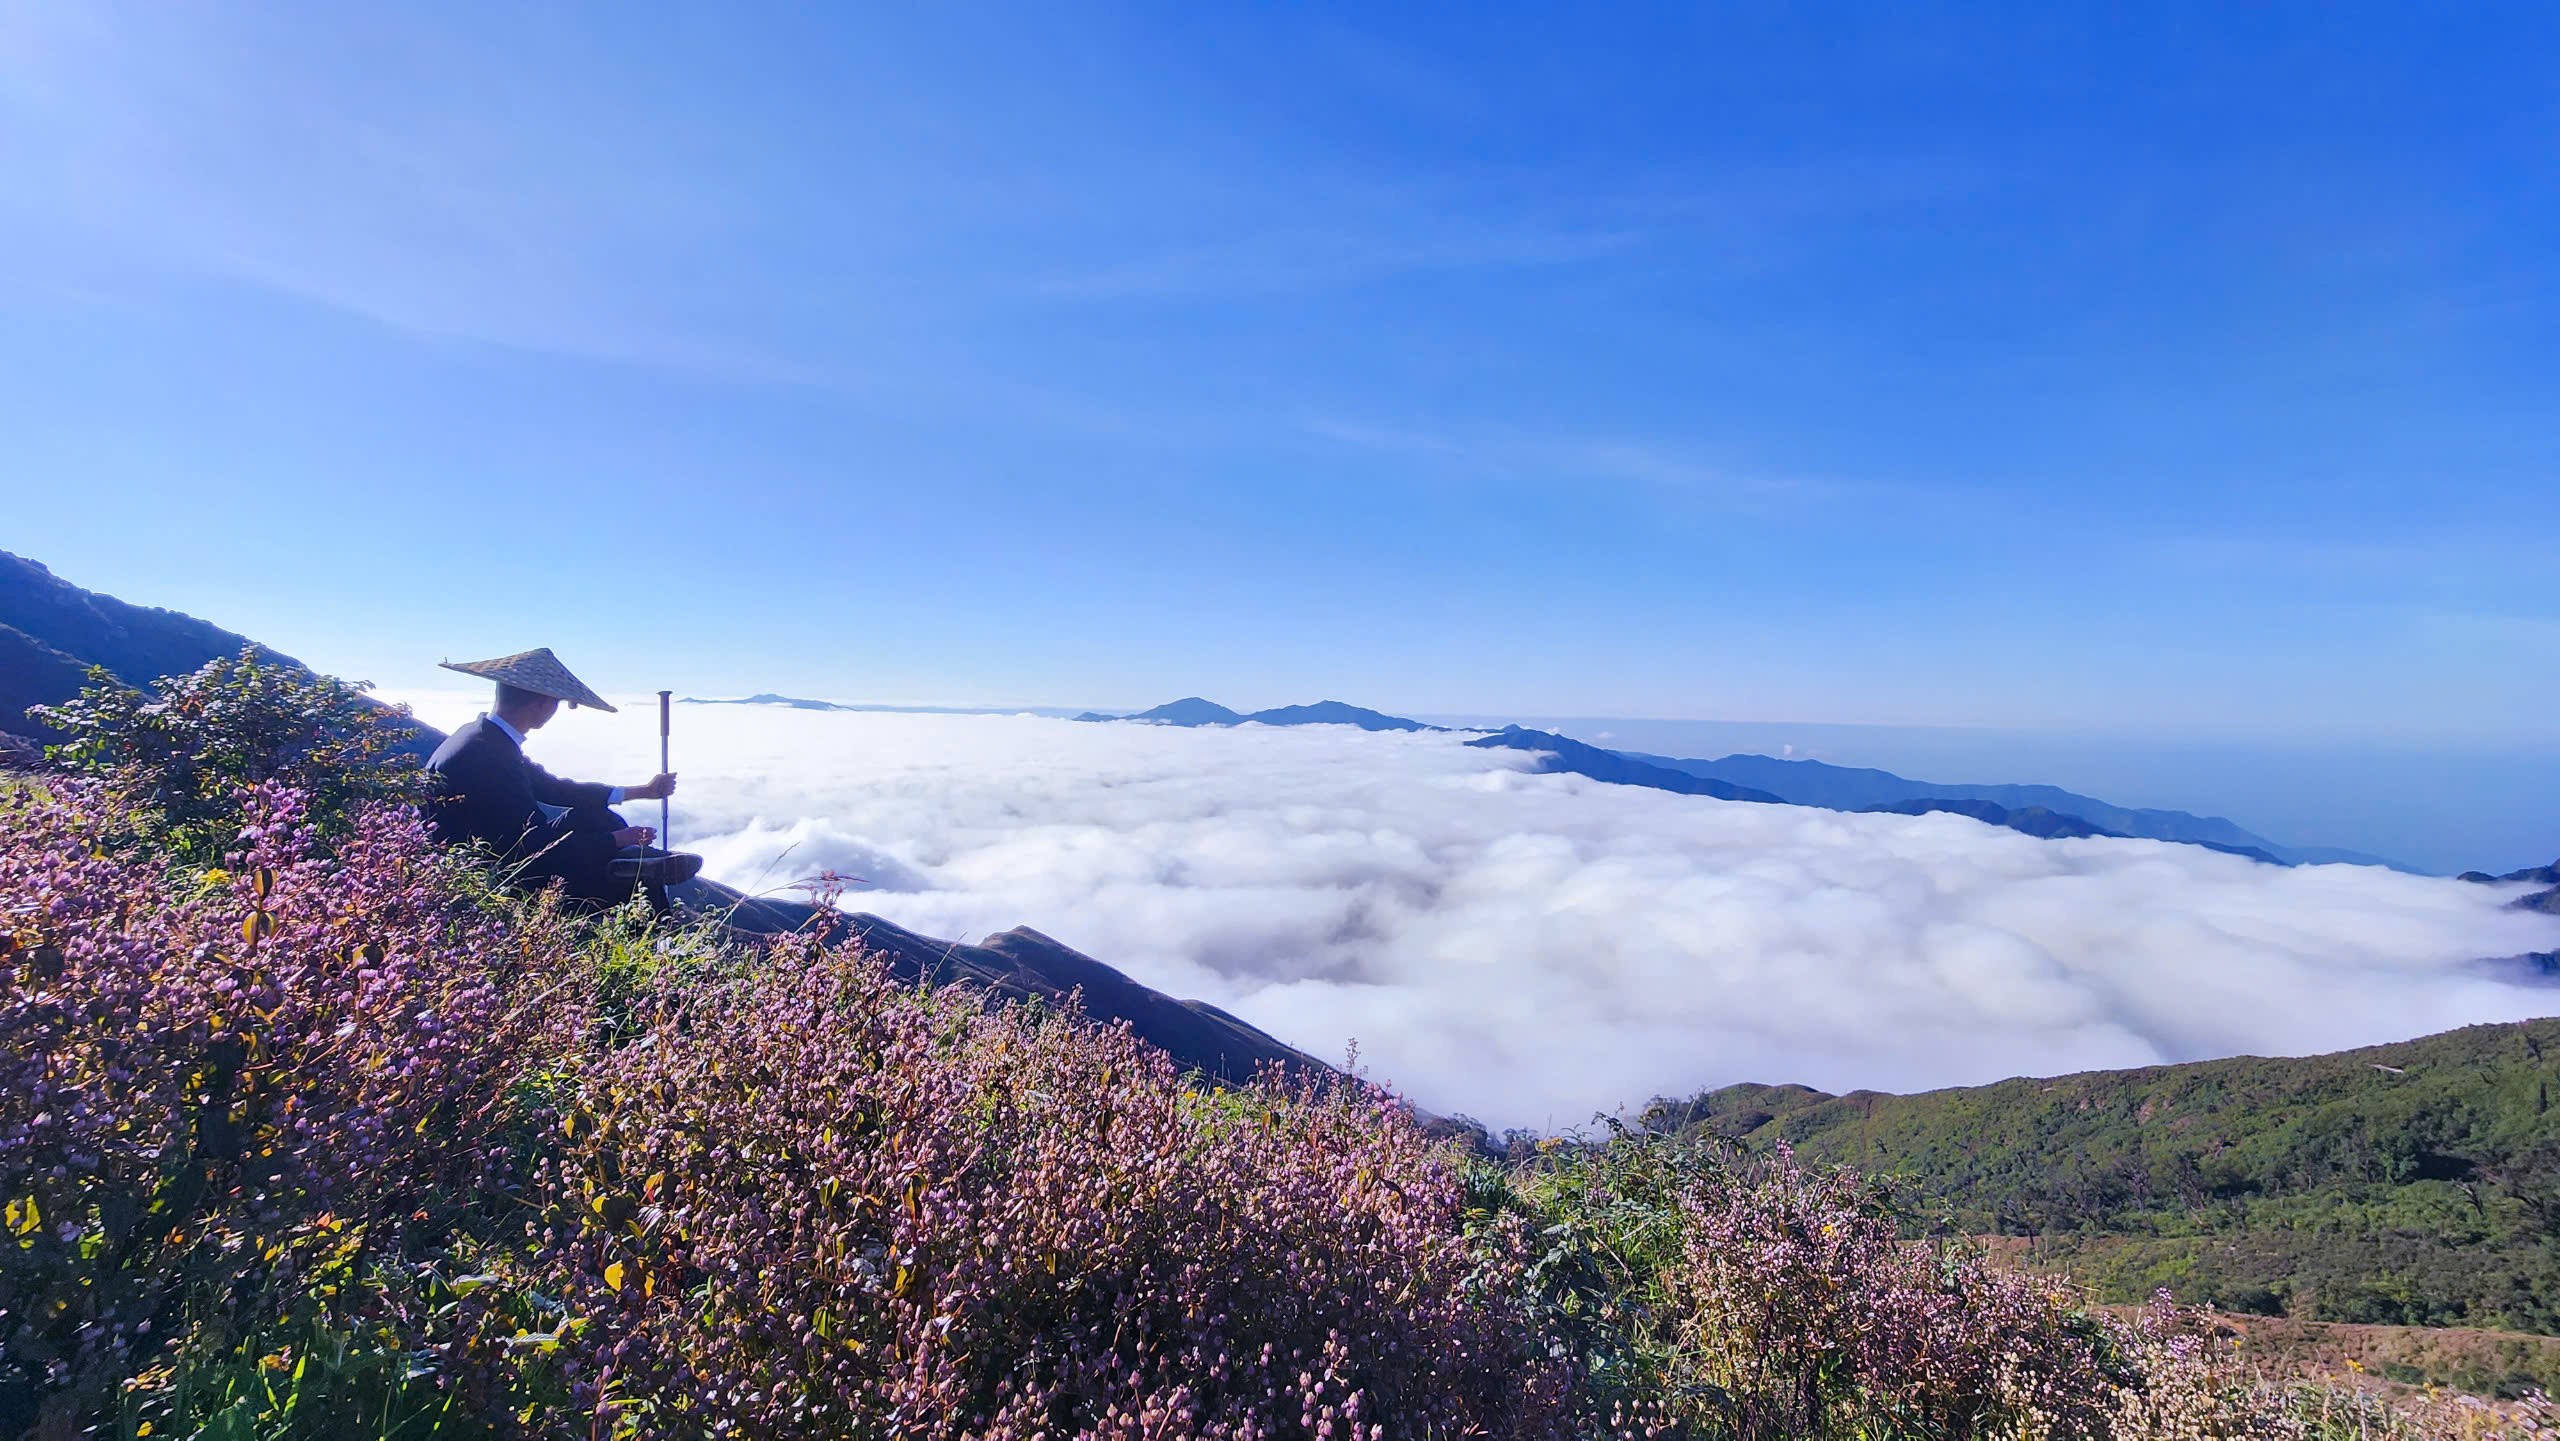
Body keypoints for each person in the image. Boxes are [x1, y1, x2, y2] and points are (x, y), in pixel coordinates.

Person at [424, 647, 704, 912]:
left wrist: (643, 791)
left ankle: (631, 863)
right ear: (544, 703)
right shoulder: (488, 756)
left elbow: (552, 788)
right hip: (497, 869)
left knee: (595, 817)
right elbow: (532, 846)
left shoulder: (484, 738)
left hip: (490, 848)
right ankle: (647, 907)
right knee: (631, 878)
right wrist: (615, 839)